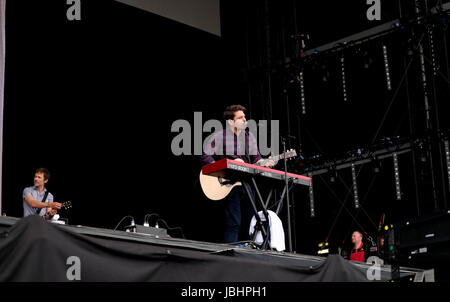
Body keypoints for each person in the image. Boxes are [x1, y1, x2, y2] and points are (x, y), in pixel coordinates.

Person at [200, 105, 275, 243]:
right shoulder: (220, 136)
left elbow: (256, 160)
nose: (244, 119)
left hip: (247, 184)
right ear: (231, 121)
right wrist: (219, 171)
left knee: (251, 222)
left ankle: (249, 254)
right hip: (230, 185)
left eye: (245, 117)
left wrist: (266, 162)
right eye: (240, 117)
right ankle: (231, 254)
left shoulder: (249, 137)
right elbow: (205, 156)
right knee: (233, 223)